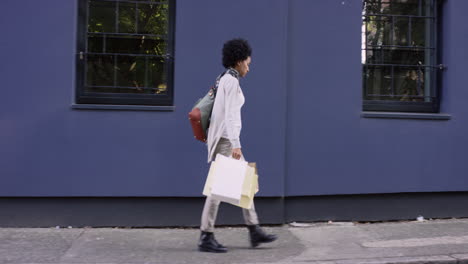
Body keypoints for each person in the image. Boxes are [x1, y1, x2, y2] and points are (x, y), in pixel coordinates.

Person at [198, 38, 278, 253]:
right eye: (248, 63)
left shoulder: (224, 78)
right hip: (226, 141)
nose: (248, 68)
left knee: (245, 182)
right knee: (218, 190)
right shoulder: (231, 81)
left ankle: (253, 229)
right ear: (239, 61)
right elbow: (230, 116)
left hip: (224, 139)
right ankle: (207, 235)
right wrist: (236, 144)